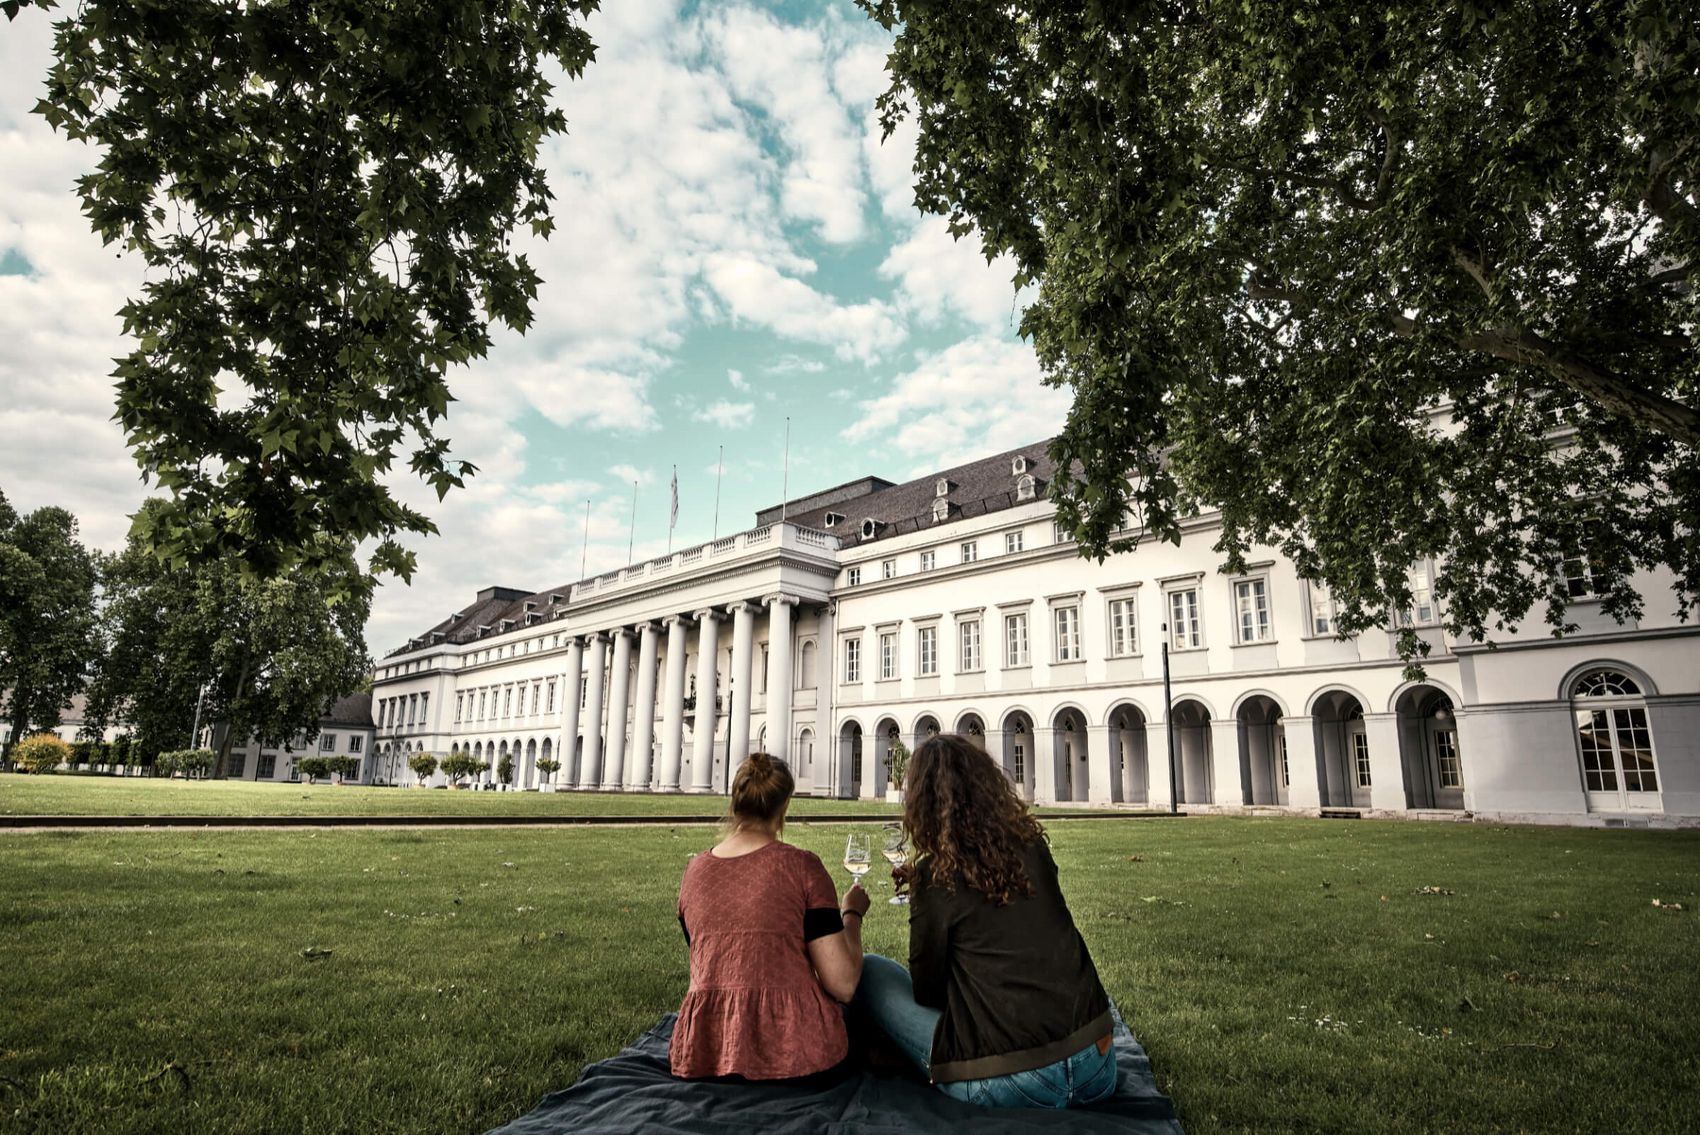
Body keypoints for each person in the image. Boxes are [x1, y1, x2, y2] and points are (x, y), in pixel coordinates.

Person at [856, 733, 1117, 1109]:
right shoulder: (1032, 848)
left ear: (922, 804)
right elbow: (1007, 914)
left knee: (872, 971)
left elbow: (928, 992)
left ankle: (908, 1056)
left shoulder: (936, 877)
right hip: (1097, 1062)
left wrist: (925, 895)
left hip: (1007, 1082)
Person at [670, 751, 871, 1080]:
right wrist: (852, 914)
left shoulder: (695, 872)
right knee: (873, 975)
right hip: (795, 1049)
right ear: (784, 805)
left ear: (735, 804)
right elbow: (843, 983)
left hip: (706, 1051)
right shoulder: (802, 867)